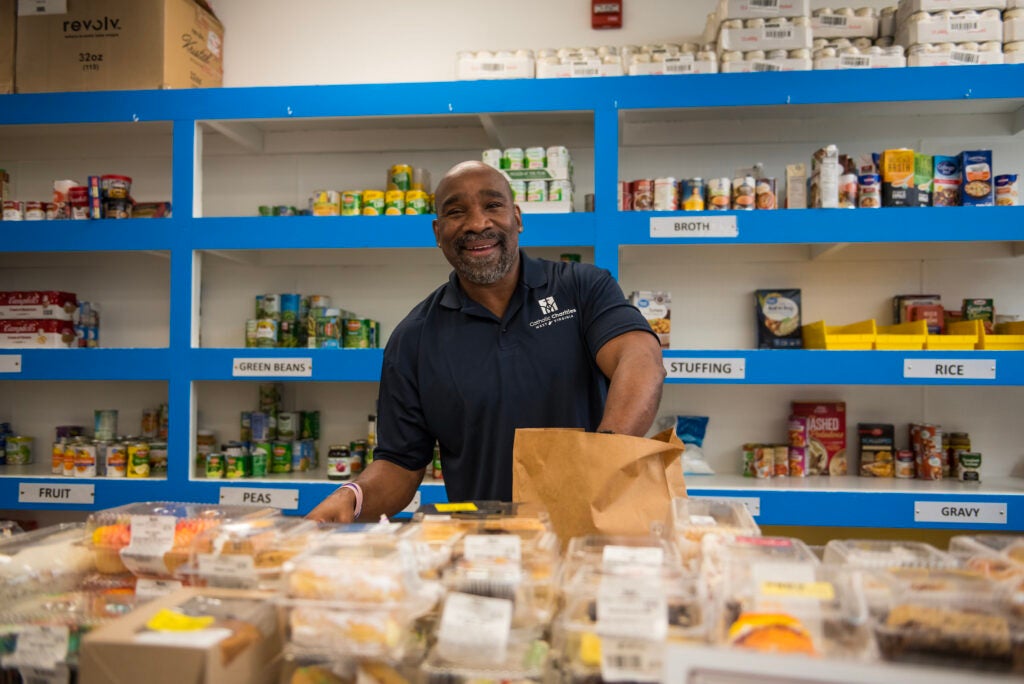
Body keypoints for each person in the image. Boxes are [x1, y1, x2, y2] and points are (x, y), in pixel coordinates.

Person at [307, 161, 665, 523]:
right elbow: (399, 464)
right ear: (437, 231)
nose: (477, 224)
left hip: (596, 529)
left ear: (518, 218)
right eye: (456, 211)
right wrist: (351, 497)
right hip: (488, 551)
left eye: (493, 205)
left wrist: (600, 461)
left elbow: (639, 358)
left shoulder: (582, 287)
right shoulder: (413, 339)